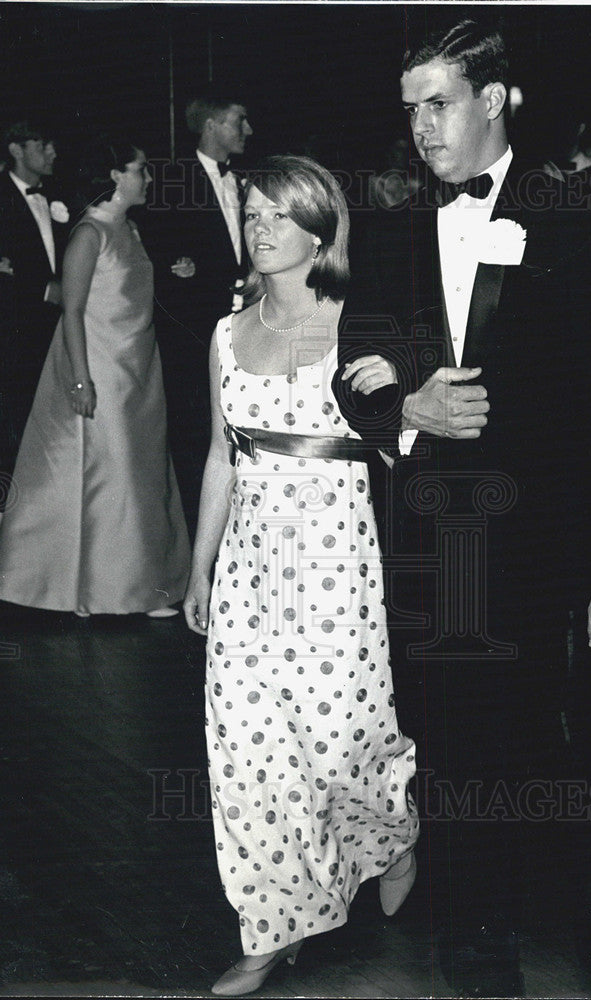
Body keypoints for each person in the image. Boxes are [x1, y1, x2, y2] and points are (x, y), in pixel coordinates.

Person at [339, 18, 591, 994]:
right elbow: (349, 378)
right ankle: (480, 966)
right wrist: (404, 405)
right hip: (436, 551)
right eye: (409, 110)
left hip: (545, 547)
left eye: (438, 103)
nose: (423, 127)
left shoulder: (578, 215)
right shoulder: (388, 229)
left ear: (493, 99)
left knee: (546, 755)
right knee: (458, 766)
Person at [183, 155, 419, 996]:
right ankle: (271, 928)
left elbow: (406, 440)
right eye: (251, 212)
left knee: (340, 746)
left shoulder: (361, 321)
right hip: (249, 565)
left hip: (333, 564)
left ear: (319, 229)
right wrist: (200, 568)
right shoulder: (224, 331)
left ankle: (390, 833)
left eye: (277, 214)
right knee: (246, 750)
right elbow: (220, 455)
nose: (260, 227)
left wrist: (401, 396)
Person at [0, 135, 190, 617]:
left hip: (139, 367)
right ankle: (107, 589)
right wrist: (81, 381)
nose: (146, 178)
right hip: (101, 366)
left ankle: (143, 584)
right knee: (115, 473)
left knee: (142, 473)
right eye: (140, 169)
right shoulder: (90, 233)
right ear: (114, 177)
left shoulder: (131, 229)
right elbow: (73, 309)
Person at [144, 92, 254, 512]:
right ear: (212, 125)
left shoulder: (245, 179)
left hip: (245, 323)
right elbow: (161, 260)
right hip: (193, 334)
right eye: (239, 119)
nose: (248, 130)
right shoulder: (172, 179)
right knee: (195, 435)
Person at [0, 122, 69, 508]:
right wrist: (42, 288)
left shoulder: (59, 197)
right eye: (43, 143)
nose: (53, 152)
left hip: (54, 330)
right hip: (13, 335)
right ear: (16, 149)